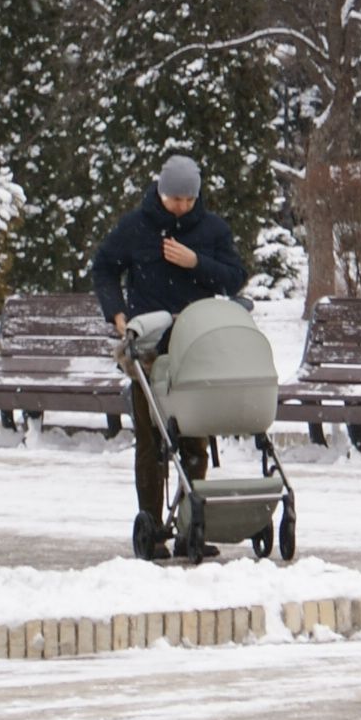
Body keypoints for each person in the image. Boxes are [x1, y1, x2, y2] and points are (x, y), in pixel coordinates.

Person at [92, 154, 249, 557]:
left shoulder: (212, 229)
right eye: (173, 198)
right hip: (148, 346)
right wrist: (117, 314)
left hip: (196, 345)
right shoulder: (135, 227)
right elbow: (104, 268)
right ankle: (151, 522)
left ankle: (190, 526)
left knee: (195, 436)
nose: (179, 206)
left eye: (186, 199)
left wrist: (196, 261)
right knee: (151, 439)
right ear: (159, 192)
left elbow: (234, 277)